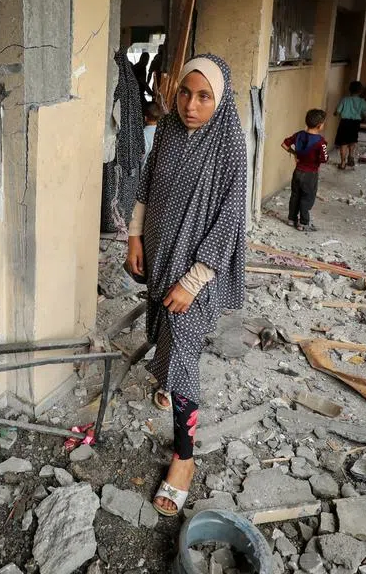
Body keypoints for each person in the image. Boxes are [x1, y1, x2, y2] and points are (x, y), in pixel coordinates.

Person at [124, 54, 246, 517]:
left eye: (204, 97)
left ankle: (184, 460)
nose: (191, 105)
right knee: (169, 335)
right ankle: (169, 375)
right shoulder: (171, 131)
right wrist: (135, 235)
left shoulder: (228, 144)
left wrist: (194, 281)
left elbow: (230, 218)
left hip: (196, 269)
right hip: (158, 252)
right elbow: (147, 184)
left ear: (220, 99)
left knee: (183, 347)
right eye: (184, 93)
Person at [282, 110, 329, 231]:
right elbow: (324, 159)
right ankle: (303, 223)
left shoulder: (299, 135)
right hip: (310, 174)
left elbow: (284, 144)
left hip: (297, 171)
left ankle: (291, 219)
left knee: (295, 195)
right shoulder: (320, 142)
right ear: (319, 125)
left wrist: (294, 154)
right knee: (307, 198)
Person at [334, 80, 366, 169]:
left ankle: (342, 163)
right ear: (360, 91)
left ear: (349, 90)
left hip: (345, 123)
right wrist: (363, 117)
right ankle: (351, 156)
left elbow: (337, 112)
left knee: (343, 143)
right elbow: (365, 113)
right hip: (355, 123)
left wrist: (335, 113)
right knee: (352, 140)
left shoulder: (345, 99)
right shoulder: (362, 101)